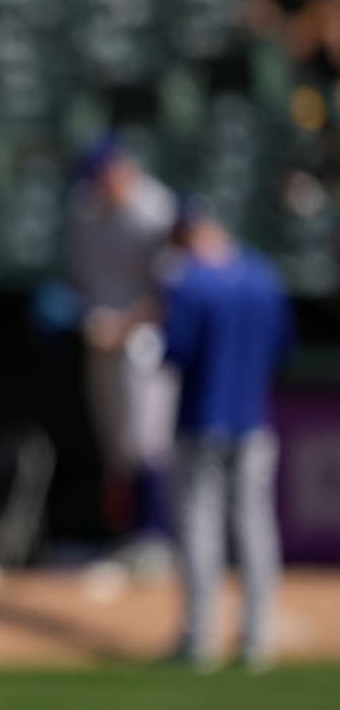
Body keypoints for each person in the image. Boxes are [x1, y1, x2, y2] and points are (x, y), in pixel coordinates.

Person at [161, 200, 292, 672]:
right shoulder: (264, 276)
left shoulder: (189, 282)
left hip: (202, 419)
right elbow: (283, 346)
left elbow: (175, 350)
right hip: (254, 419)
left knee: (201, 530)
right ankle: (257, 640)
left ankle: (200, 640)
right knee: (256, 528)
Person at [67, 136, 180, 570]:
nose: (100, 186)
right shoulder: (86, 208)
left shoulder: (155, 210)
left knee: (147, 441)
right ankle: (128, 537)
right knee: (114, 443)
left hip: (144, 338)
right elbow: (82, 276)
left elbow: (171, 290)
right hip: (102, 332)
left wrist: (123, 326)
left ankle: (156, 539)